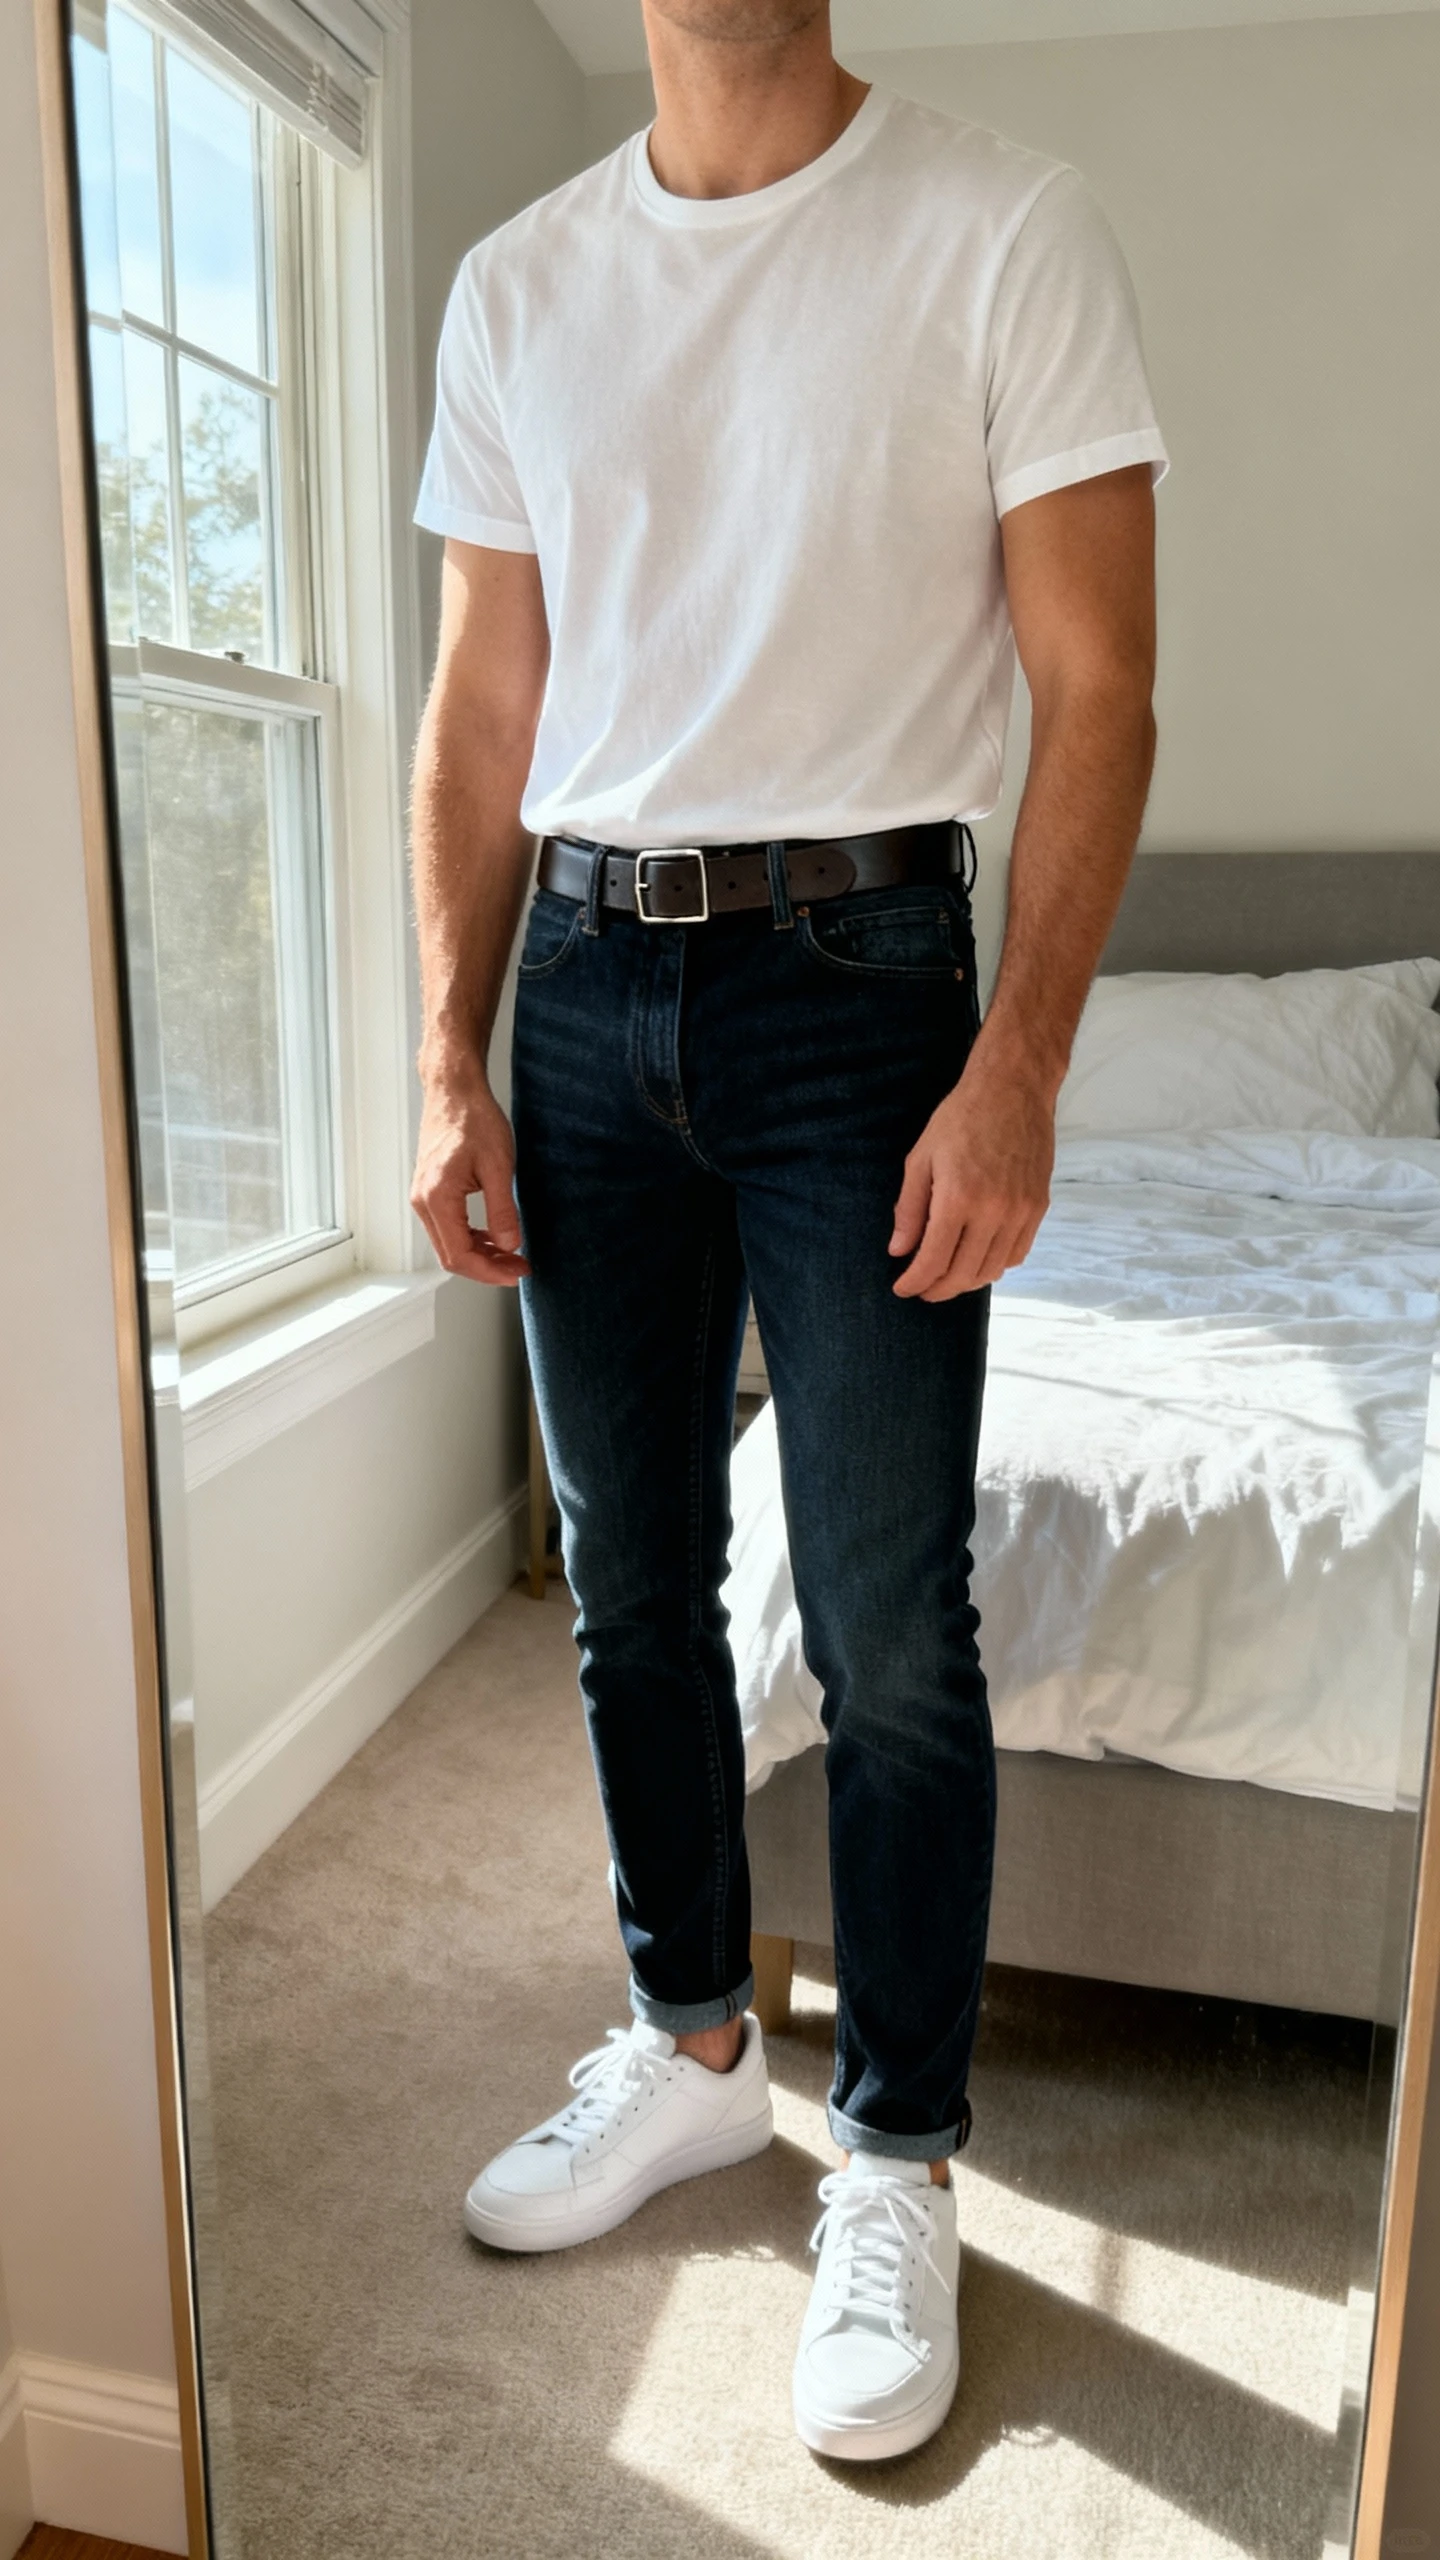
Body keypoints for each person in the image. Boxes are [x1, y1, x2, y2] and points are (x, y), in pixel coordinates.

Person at [408, 0, 1164, 2464]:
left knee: (880, 1607)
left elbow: (1100, 683)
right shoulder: (521, 284)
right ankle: (695, 2043)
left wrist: (1022, 1055)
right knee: (628, 1569)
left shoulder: (1001, 222)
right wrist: (447, 1043)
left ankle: (905, 2150)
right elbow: (482, 712)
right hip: (588, 980)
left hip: (871, 991)